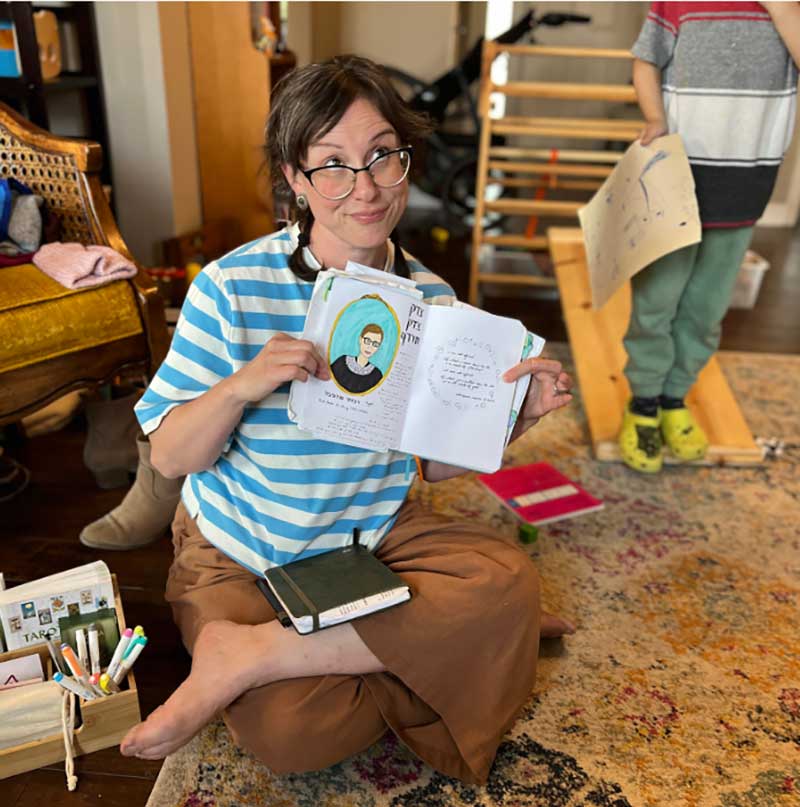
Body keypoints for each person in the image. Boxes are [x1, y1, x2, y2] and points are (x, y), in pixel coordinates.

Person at [119, 55, 575, 784]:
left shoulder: (432, 299)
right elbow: (172, 458)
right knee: (293, 732)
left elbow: (434, 462)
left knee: (507, 578)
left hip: (372, 534)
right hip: (244, 546)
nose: (362, 188)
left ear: (404, 159)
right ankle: (449, 636)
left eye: (381, 157)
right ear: (295, 179)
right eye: (332, 165)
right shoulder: (230, 286)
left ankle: (259, 652)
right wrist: (241, 385)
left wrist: (516, 419)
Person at [620, 1, 800, 473]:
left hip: (746, 183)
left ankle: (674, 397)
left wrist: (783, 12)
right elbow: (646, 60)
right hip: (677, 174)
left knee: (707, 305)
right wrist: (654, 116)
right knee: (657, 299)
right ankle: (643, 402)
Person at [330, 322, 385, 393]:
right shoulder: (341, 362)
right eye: (367, 341)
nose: (370, 347)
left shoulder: (376, 375)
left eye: (375, 344)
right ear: (360, 339)